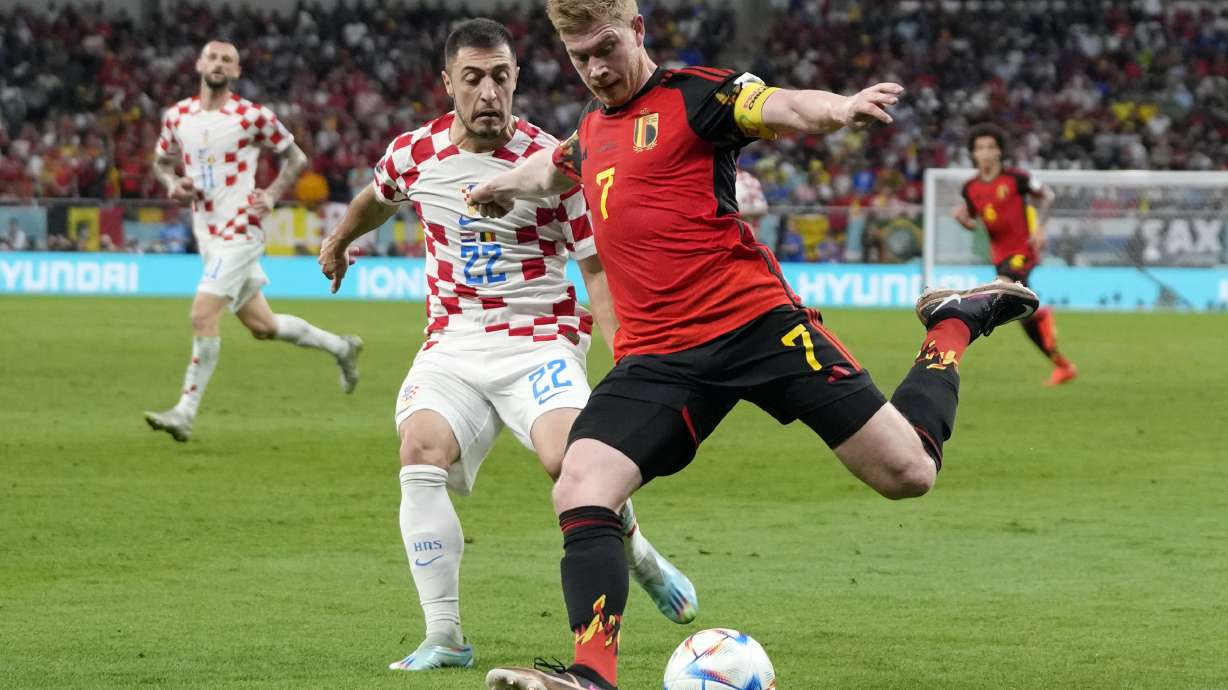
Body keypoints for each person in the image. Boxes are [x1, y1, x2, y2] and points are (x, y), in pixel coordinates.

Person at [465, 2, 1040, 688]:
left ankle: (953, 323)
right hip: (657, 359)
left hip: (756, 327)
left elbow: (784, 105)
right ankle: (591, 676)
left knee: (908, 472)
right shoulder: (590, 133)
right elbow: (551, 170)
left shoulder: (698, 97)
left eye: (606, 48)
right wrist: (502, 183)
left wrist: (841, 107)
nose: (596, 68)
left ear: (638, 31)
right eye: (579, 56)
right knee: (582, 484)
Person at [316, 18, 698, 674]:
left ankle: (638, 554)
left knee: (572, 465)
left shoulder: (553, 164)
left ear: (516, 78)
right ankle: (446, 636)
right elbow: (378, 198)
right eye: (473, 78)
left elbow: (595, 264)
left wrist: (625, 350)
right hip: (455, 344)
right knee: (419, 450)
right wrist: (338, 241)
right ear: (448, 84)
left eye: (500, 76)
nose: (488, 91)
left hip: (540, 343)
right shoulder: (415, 153)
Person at [144, 40, 362, 443]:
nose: (219, 64)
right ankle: (341, 347)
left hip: (241, 229)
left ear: (237, 71)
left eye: (228, 60)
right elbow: (161, 161)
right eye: (213, 57)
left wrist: (273, 194)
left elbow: (295, 157)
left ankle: (185, 412)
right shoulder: (178, 116)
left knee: (202, 314)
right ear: (198, 63)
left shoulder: (251, 116)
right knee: (263, 326)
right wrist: (174, 184)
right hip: (207, 233)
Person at [954, 123, 1078, 386]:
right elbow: (972, 217)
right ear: (973, 154)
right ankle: (1062, 364)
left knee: (1004, 288)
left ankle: (958, 345)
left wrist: (1041, 229)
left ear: (999, 151)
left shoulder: (1016, 178)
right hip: (999, 255)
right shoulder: (970, 188)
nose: (986, 153)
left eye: (991, 147)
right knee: (1023, 318)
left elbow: (1047, 196)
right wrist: (963, 220)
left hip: (1023, 250)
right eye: (980, 148)